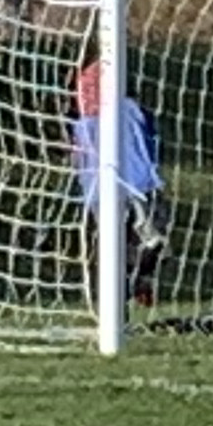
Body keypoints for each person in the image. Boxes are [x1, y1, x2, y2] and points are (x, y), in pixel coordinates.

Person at [72, 62, 164, 307]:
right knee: (125, 242)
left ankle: (135, 285)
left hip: (133, 186)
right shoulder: (86, 124)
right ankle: (124, 291)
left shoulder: (127, 111)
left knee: (146, 241)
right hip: (117, 189)